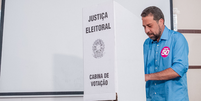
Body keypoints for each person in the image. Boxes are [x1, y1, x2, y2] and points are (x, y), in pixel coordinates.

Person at [141, 6, 189, 101]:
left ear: (161, 22)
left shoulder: (177, 39)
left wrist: (148, 76)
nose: (146, 31)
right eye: (144, 27)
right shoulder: (146, 43)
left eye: (149, 26)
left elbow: (178, 69)